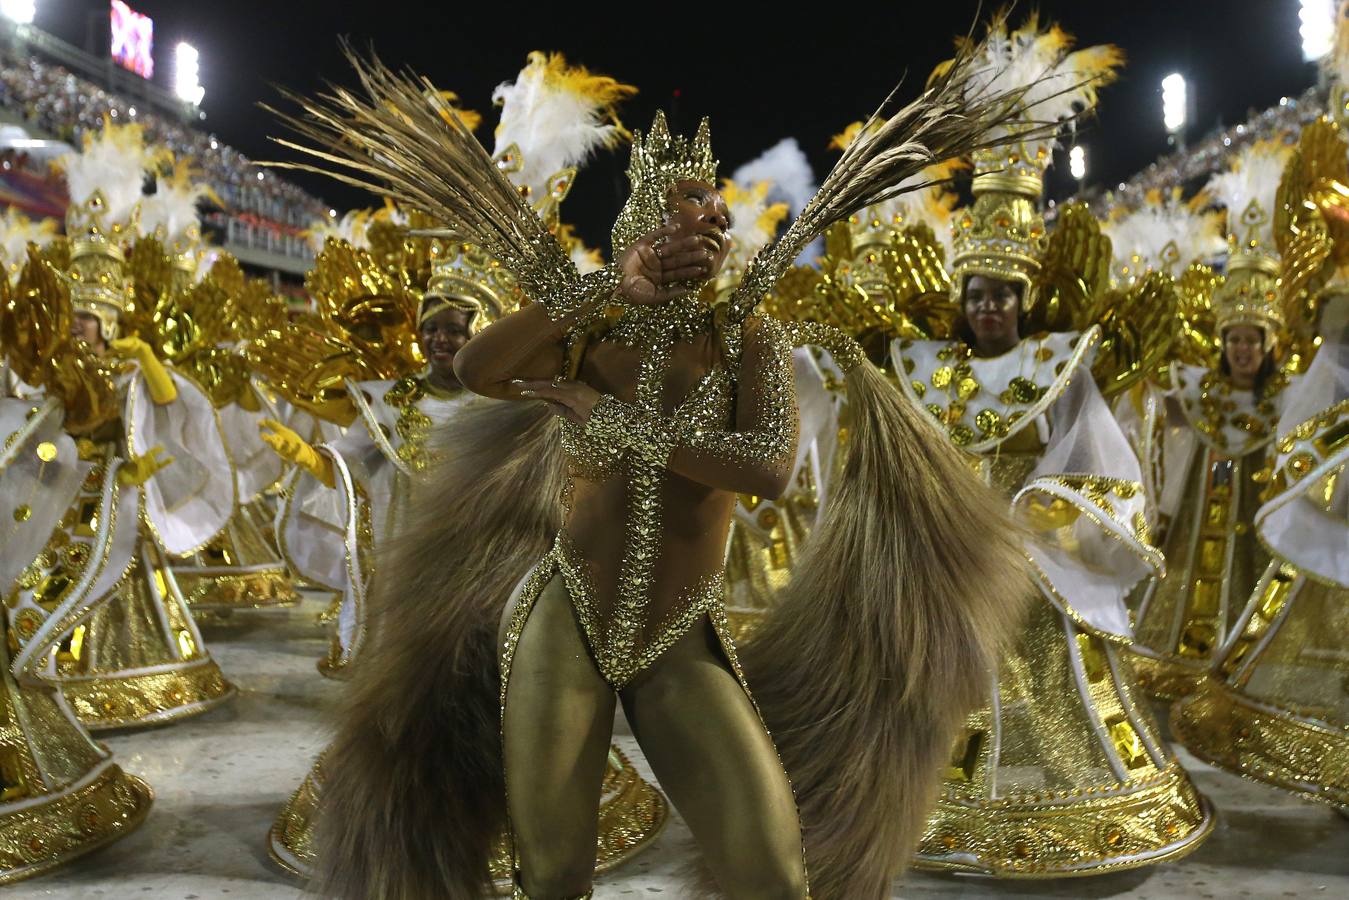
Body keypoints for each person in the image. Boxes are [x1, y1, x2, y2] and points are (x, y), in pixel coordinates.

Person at [272, 32, 1054, 897]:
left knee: (770, 866)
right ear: (646, 217)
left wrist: (620, 422)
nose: (716, 217)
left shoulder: (745, 338)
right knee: (555, 870)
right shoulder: (589, 326)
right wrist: (608, 288)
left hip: (678, 631)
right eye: (694, 202)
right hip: (562, 614)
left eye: (720, 208)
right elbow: (476, 371)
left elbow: (768, 468)